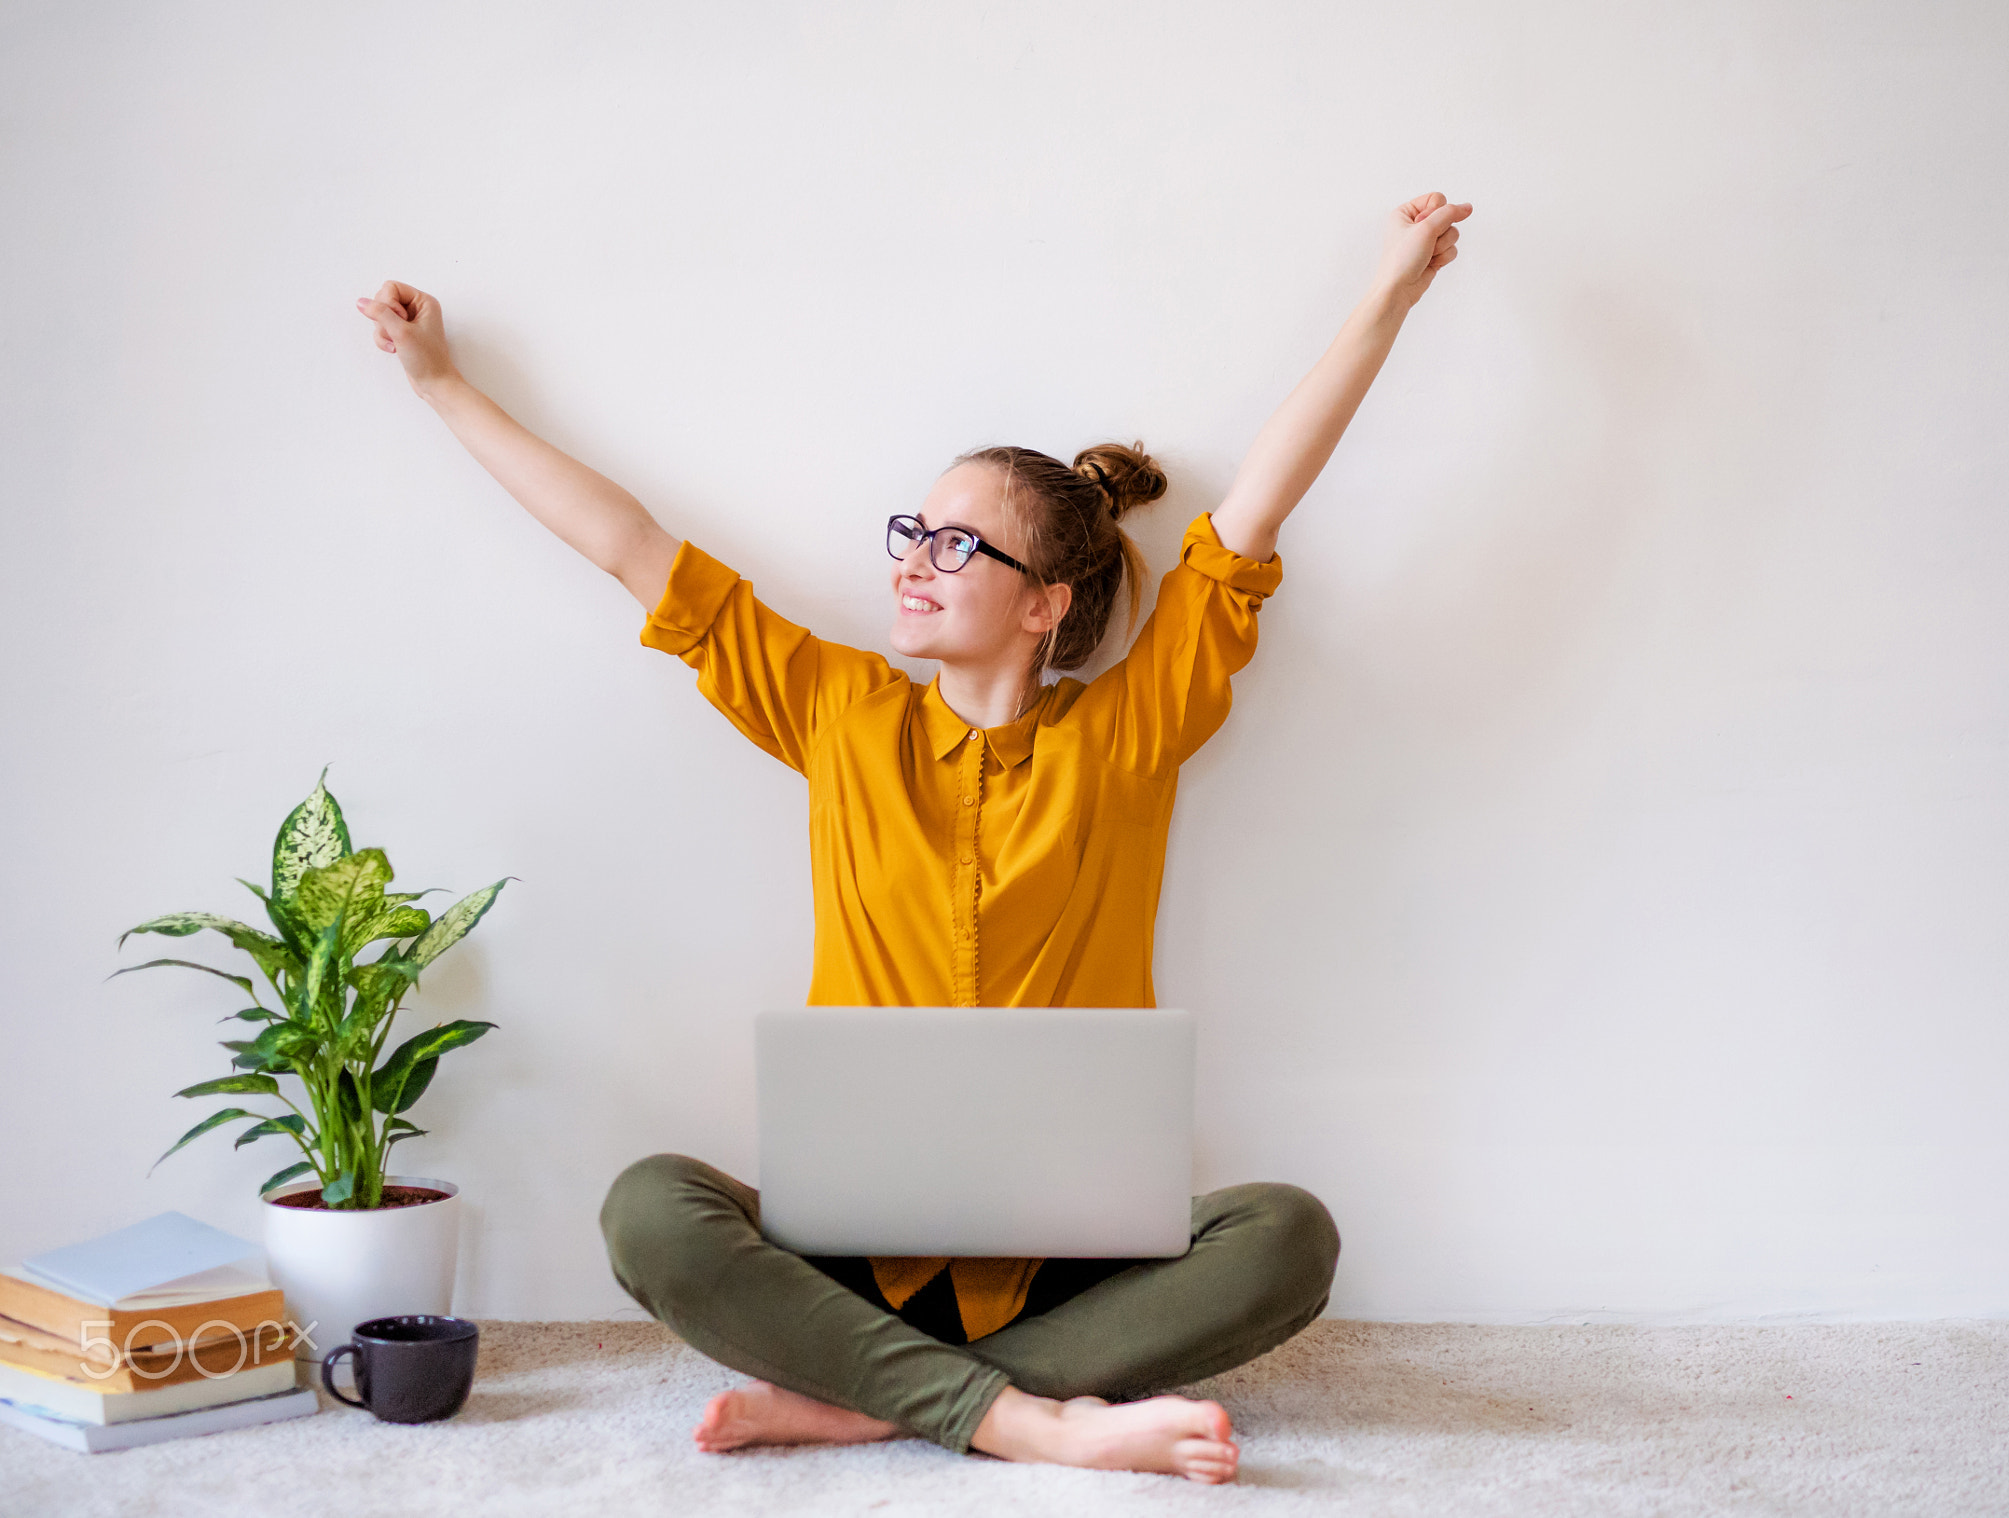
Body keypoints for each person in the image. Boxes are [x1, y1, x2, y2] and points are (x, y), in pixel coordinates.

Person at [357, 190, 1471, 1483]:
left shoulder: (1129, 730)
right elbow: (631, 545)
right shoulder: (836, 708)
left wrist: (1389, 295)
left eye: (956, 542)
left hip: (1075, 1269)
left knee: (1289, 1234)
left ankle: (880, 1400)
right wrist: (440, 384)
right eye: (910, 531)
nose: (912, 560)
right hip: (850, 1257)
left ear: (1046, 602)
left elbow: (1253, 517)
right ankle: (1034, 1418)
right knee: (650, 1209)